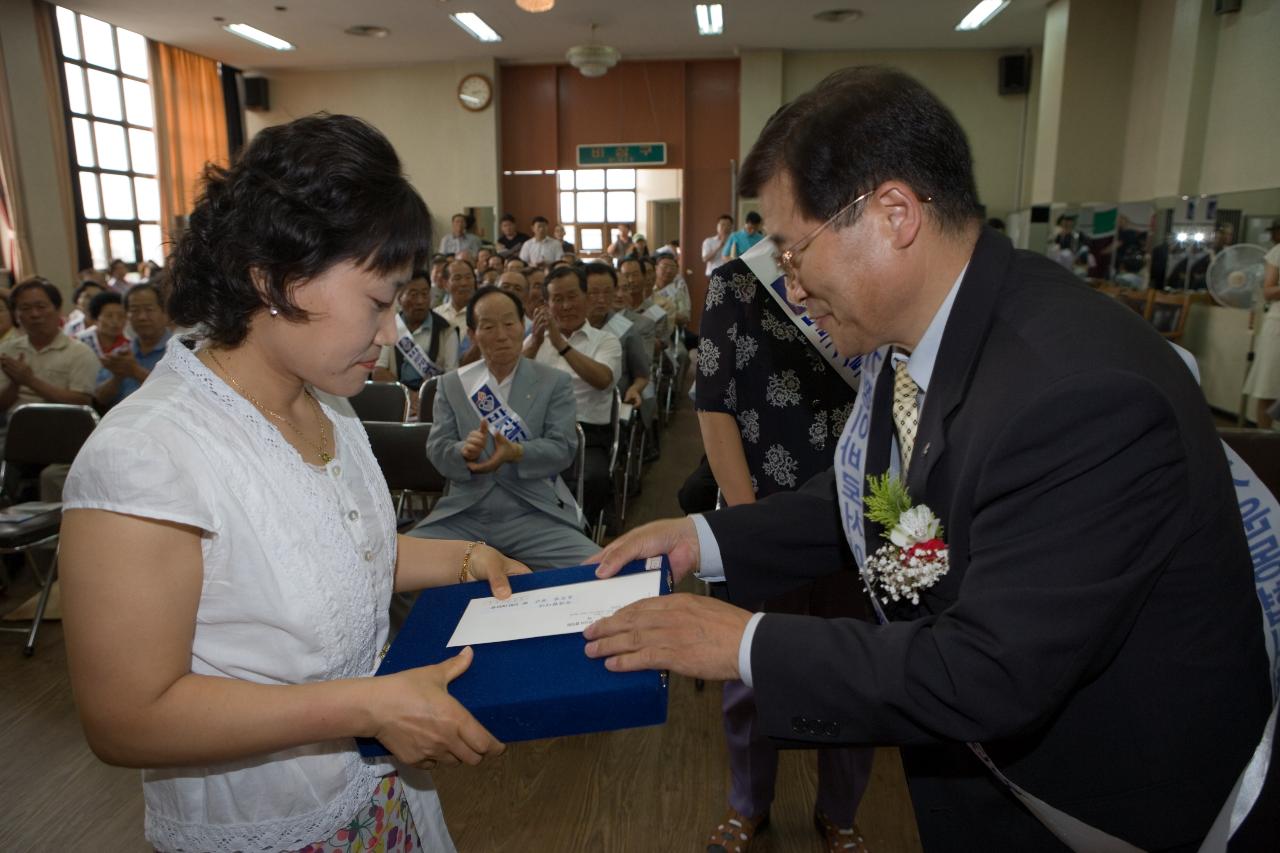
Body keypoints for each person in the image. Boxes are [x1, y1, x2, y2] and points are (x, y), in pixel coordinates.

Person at [584, 67, 1270, 851]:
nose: (789, 283)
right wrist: (701, 539)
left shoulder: (1076, 395)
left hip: (1108, 810)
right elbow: (876, 505)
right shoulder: (917, 342)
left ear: (894, 214)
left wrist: (739, 642)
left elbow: (989, 669)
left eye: (791, 249)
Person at [58, 113, 527, 853]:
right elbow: (128, 715)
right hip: (263, 824)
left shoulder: (326, 404)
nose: (388, 336)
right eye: (377, 303)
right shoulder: (149, 454)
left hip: (376, 798)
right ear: (275, 278)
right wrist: (365, 705)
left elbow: (330, 552)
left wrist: (467, 558)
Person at [695, 252, 871, 852]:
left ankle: (841, 814)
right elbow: (714, 405)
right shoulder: (739, 280)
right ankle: (748, 805)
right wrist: (750, 528)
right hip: (765, 503)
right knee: (749, 670)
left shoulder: (864, 260)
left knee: (855, 670)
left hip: (861, 506)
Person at [409, 287, 596, 570]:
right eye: (488, 326)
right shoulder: (452, 385)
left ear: (524, 327)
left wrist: (517, 451)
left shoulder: (554, 382)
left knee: (600, 570)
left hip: (532, 513)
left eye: (509, 324)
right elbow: (437, 449)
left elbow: (563, 449)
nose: (501, 335)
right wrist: (463, 451)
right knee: (393, 571)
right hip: (465, 514)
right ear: (472, 335)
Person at [524, 266, 621, 534]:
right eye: (557, 299)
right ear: (546, 304)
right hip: (539, 434)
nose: (565, 306)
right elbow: (510, 384)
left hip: (587, 436)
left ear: (586, 298)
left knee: (592, 479)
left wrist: (561, 346)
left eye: (572, 296)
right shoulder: (534, 342)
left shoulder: (606, 341)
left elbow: (603, 379)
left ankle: (578, 538)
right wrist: (534, 343)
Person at [0, 277, 100, 440]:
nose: (34, 314)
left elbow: (81, 402)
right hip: (14, 433)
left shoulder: (79, 352)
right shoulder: (6, 351)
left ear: (58, 310)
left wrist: (30, 381)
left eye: (41, 306)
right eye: (25, 308)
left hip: (63, 434)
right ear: (16, 316)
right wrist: (15, 384)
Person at [371, 270, 459, 402]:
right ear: (399, 297)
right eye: (413, 294)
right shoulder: (389, 326)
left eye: (425, 294)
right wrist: (409, 398)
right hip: (397, 398)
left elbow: (451, 376)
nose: (420, 301)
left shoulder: (446, 330)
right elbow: (378, 372)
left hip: (434, 400)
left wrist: (425, 397)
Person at [94, 283, 172, 409]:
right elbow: (100, 399)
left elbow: (178, 395)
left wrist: (135, 371)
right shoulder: (121, 354)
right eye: (134, 310)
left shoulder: (182, 352)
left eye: (149, 310)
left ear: (165, 313)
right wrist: (117, 377)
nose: (142, 317)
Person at [1241, 233, 1280, 427]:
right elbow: (1268, 290)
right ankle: (1264, 440)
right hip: (1277, 325)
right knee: (1268, 385)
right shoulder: (1278, 252)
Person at [435, 258, 481, 364]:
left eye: (468, 277)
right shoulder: (437, 314)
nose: (464, 283)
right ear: (445, 284)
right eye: (457, 278)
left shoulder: (483, 313)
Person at [75, 290, 129, 359]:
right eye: (109, 316)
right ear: (95, 319)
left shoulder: (129, 345)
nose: (115, 321)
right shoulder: (79, 342)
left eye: (121, 316)